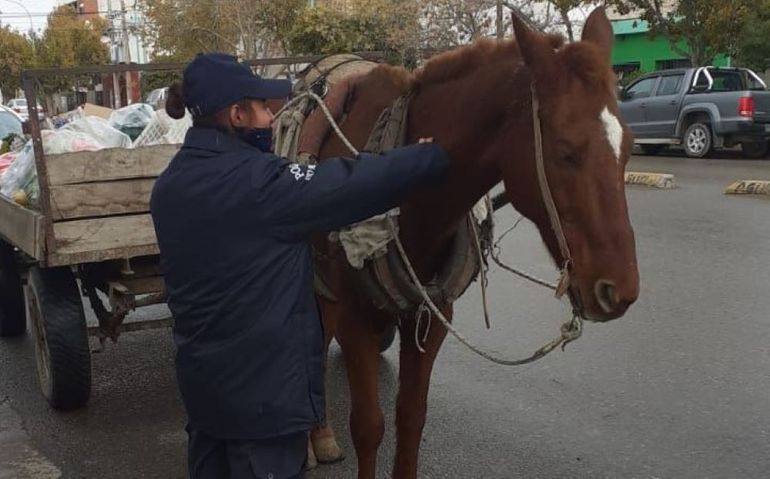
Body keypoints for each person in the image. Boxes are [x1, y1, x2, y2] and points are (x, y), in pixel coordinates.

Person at [150, 53, 449, 479]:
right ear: (237, 115)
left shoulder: (169, 186)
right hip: (264, 410)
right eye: (262, 107)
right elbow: (347, 184)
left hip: (206, 400)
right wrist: (423, 159)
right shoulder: (260, 185)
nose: (272, 117)